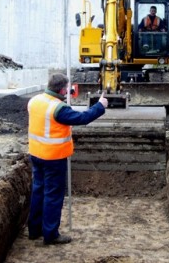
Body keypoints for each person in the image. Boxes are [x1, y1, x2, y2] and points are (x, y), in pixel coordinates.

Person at [27, 73, 108, 245]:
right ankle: (50, 235)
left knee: (38, 191)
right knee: (53, 195)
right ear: (63, 89)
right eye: (67, 88)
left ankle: (34, 230)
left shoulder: (34, 101)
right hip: (53, 158)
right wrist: (100, 106)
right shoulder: (58, 108)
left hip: (35, 154)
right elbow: (82, 118)